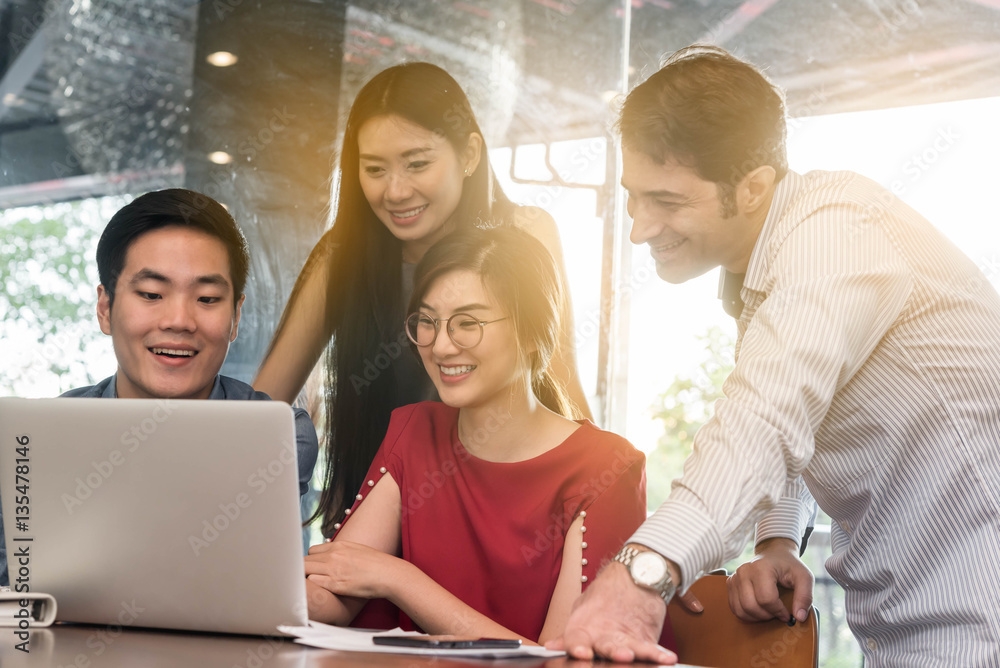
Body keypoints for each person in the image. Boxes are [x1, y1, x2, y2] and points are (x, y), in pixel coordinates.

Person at [551, 45, 1000, 666]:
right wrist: (776, 541)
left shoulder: (834, 237)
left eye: (668, 201)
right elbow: (801, 414)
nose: (639, 228)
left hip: (975, 619)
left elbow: (765, 420)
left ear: (754, 187)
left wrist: (639, 577)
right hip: (905, 626)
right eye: (634, 196)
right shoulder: (770, 274)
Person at [253, 62, 591, 541]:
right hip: (371, 528)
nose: (396, 191)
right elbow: (260, 410)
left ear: (469, 153)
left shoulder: (524, 235)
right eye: (374, 169)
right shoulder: (343, 256)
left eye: (417, 164)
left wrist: (607, 514)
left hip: (502, 526)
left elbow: (562, 387)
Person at [301, 226, 672, 647]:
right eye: (428, 322)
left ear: (535, 332)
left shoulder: (605, 468)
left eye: (468, 323)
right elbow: (332, 593)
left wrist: (400, 580)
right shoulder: (414, 431)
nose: (440, 346)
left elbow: (561, 660)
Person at [0, 189, 319, 587]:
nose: (179, 320)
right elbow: (15, 588)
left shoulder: (281, 436)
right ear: (105, 308)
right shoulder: (32, 439)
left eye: (207, 298)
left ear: (235, 317)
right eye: (152, 294)